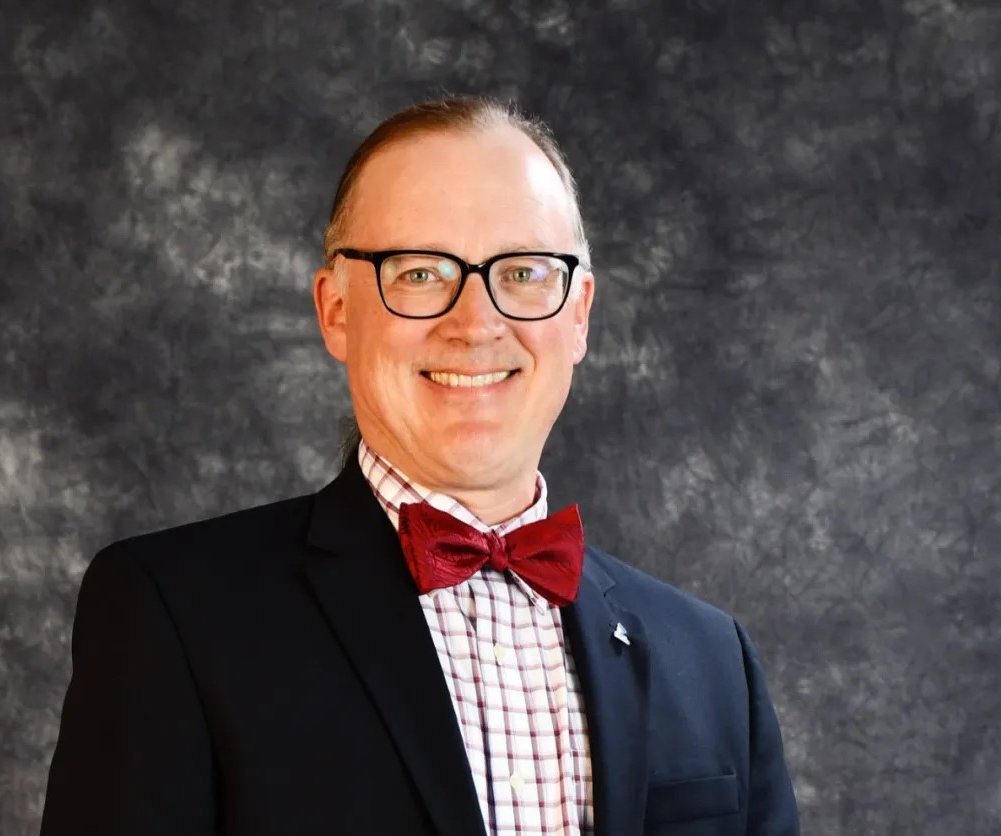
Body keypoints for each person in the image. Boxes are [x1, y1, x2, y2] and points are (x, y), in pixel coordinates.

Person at [40, 96, 800, 836]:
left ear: (579, 314)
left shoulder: (712, 660)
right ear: (336, 311)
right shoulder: (176, 614)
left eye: (524, 272)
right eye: (420, 273)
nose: (476, 323)